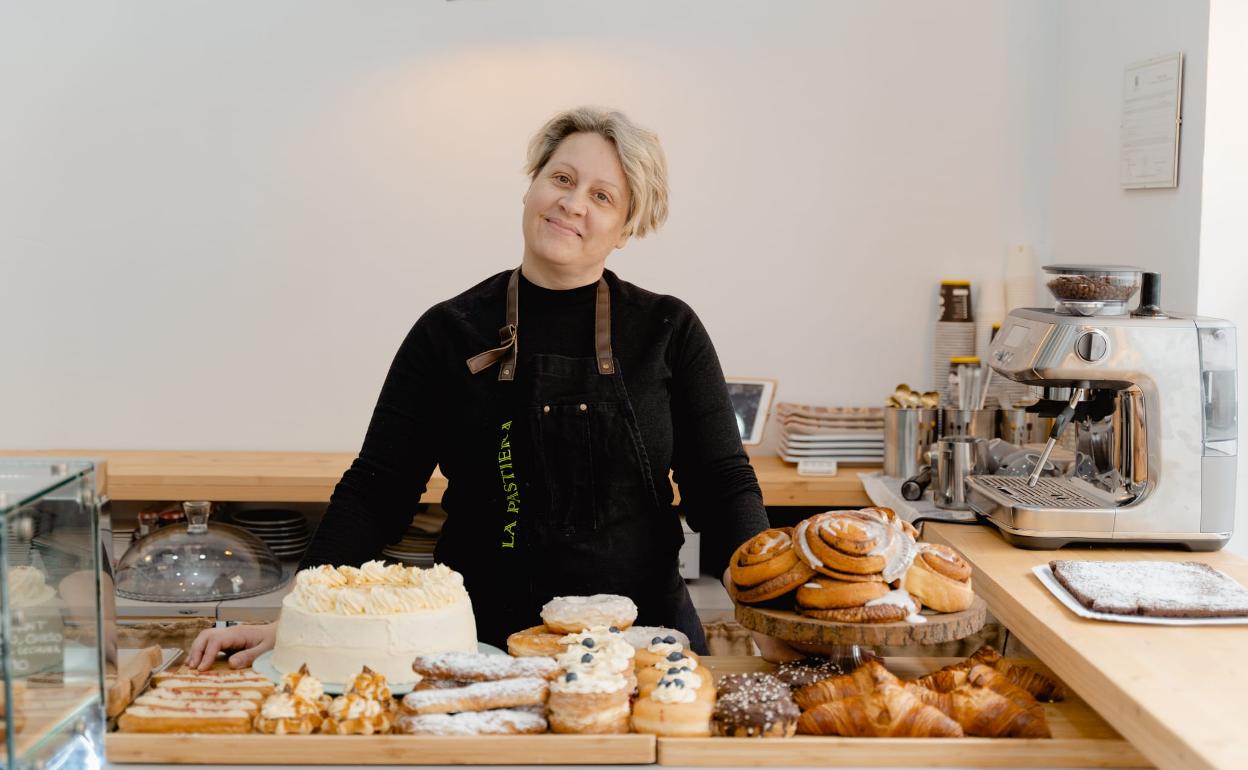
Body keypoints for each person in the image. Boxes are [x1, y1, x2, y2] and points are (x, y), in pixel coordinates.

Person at [189, 106, 770, 670]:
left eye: (602, 195)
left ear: (626, 228)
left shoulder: (668, 330)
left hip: (646, 643)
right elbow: (378, 487)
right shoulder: (450, 330)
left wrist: (769, 609)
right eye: (561, 179)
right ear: (530, 188)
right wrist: (297, 612)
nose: (571, 202)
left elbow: (720, 484)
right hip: (482, 642)